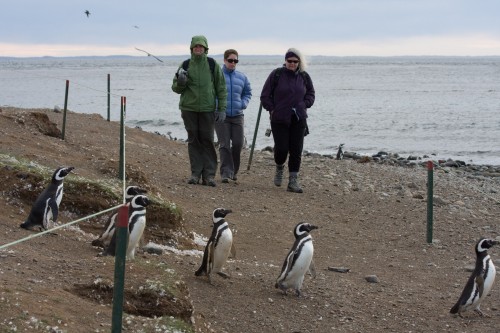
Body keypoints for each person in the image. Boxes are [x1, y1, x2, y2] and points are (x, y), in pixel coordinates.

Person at [172, 35, 227, 187]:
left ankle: (209, 176)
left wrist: (221, 108)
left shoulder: (212, 64)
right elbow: (175, 88)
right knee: (193, 140)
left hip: (207, 109)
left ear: (205, 49)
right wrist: (180, 82)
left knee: (207, 141)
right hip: (188, 108)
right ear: (191, 48)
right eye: (196, 46)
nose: (198, 49)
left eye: (201, 47)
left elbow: (221, 88)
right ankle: (195, 174)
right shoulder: (185, 64)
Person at [260, 48, 315, 193]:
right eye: (289, 61)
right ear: (285, 61)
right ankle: (279, 167)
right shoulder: (276, 74)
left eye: (295, 61)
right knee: (282, 148)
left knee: (296, 150)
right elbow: (265, 96)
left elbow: (311, 94)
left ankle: (293, 181)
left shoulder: (304, 77)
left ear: (299, 63)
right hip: (279, 118)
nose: (292, 63)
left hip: (299, 118)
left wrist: (305, 104)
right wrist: (272, 109)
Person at [215, 49, 252, 183]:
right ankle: (226, 173)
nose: (233, 63)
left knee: (238, 144)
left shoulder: (242, 77)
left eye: (235, 61)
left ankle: (234, 171)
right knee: (224, 144)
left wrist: (243, 103)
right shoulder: (217, 75)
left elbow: (248, 93)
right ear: (224, 60)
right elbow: (212, 93)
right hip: (221, 115)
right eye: (230, 60)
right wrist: (218, 107)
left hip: (237, 115)